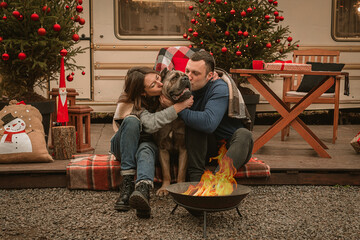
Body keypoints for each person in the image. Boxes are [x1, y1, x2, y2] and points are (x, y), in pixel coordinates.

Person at [110, 67, 192, 218]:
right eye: (154, 85)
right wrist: (179, 106)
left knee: (147, 148)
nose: (160, 84)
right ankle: (127, 183)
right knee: (132, 121)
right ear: (143, 92)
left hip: (143, 144)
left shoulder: (157, 98)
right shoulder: (130, 101)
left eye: (158, 78)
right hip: (122, 146)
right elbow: (152, 124)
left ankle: (143, 189)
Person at [177, 50, 254, 181]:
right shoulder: (183, 86)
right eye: (187, 71)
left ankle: (218, 181)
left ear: (209, 76)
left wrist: (177, 109)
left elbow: (208, 123)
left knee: (244, 134)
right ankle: (196, 180)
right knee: (195, 122)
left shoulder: (219, 88)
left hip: (231, 152)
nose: (189, 76)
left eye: (195, 73)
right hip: (205, 149)